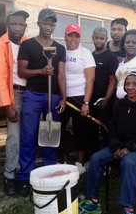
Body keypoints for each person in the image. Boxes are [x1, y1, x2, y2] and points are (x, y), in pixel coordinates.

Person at [79, 71, 136, 214]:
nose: (130, 87)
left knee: (128, 162)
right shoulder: (121, 104)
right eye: (127, 84)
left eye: (135, 84)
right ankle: (92, 201)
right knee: (96, 158)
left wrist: (129, 148)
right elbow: (112, 129)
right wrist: (116, 147)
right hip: (120, 146)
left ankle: (128, 208)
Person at [16, 8, 66, 196]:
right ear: (39, 23)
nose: (49, 27)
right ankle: (24, 177)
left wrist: (64, 96)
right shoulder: (27, 45)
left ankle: (49, 173)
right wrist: (41, 71)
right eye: (46, 23)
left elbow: (61, 74)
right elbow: (22, 72)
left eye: (52, 23)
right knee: (28, 135)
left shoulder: (59, 49)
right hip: (33, 95)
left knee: (51, 136)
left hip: (53, 97)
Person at [0, 8, 29, 196]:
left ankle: (23, 174)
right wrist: (7, 105)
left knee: (28, 137)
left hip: (29, 95)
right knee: (14, 138)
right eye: (14, 23)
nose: (18, 27)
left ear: (25, 26)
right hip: (13, 95)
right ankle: (9, 175)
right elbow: (0, 76)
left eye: (21, 24)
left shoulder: (28, 43)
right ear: (7, 25)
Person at [60, 23, 95, 174]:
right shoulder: (61, 52)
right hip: (62, 97)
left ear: (80, 38)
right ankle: (59, 159)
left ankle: (79, 162)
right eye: (70, 35)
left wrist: (86, 102)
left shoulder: (85, 53)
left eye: (76, 36)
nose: (73, 38)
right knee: (58, 128)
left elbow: (90, 79)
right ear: (65, 36)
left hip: (80, 96)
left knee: (80, 129)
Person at [89, 27, 118, 151]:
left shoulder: (111, 57)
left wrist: (106, 98)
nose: (99, 40)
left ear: (106, 40)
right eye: (96, 38)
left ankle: (107, 158)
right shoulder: (89, 56)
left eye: (102, 38)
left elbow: (113, 80)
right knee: (91, 129)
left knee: (106, 129)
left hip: (105, 101)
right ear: (92, 39)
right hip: (90, 99)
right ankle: (93, 156)